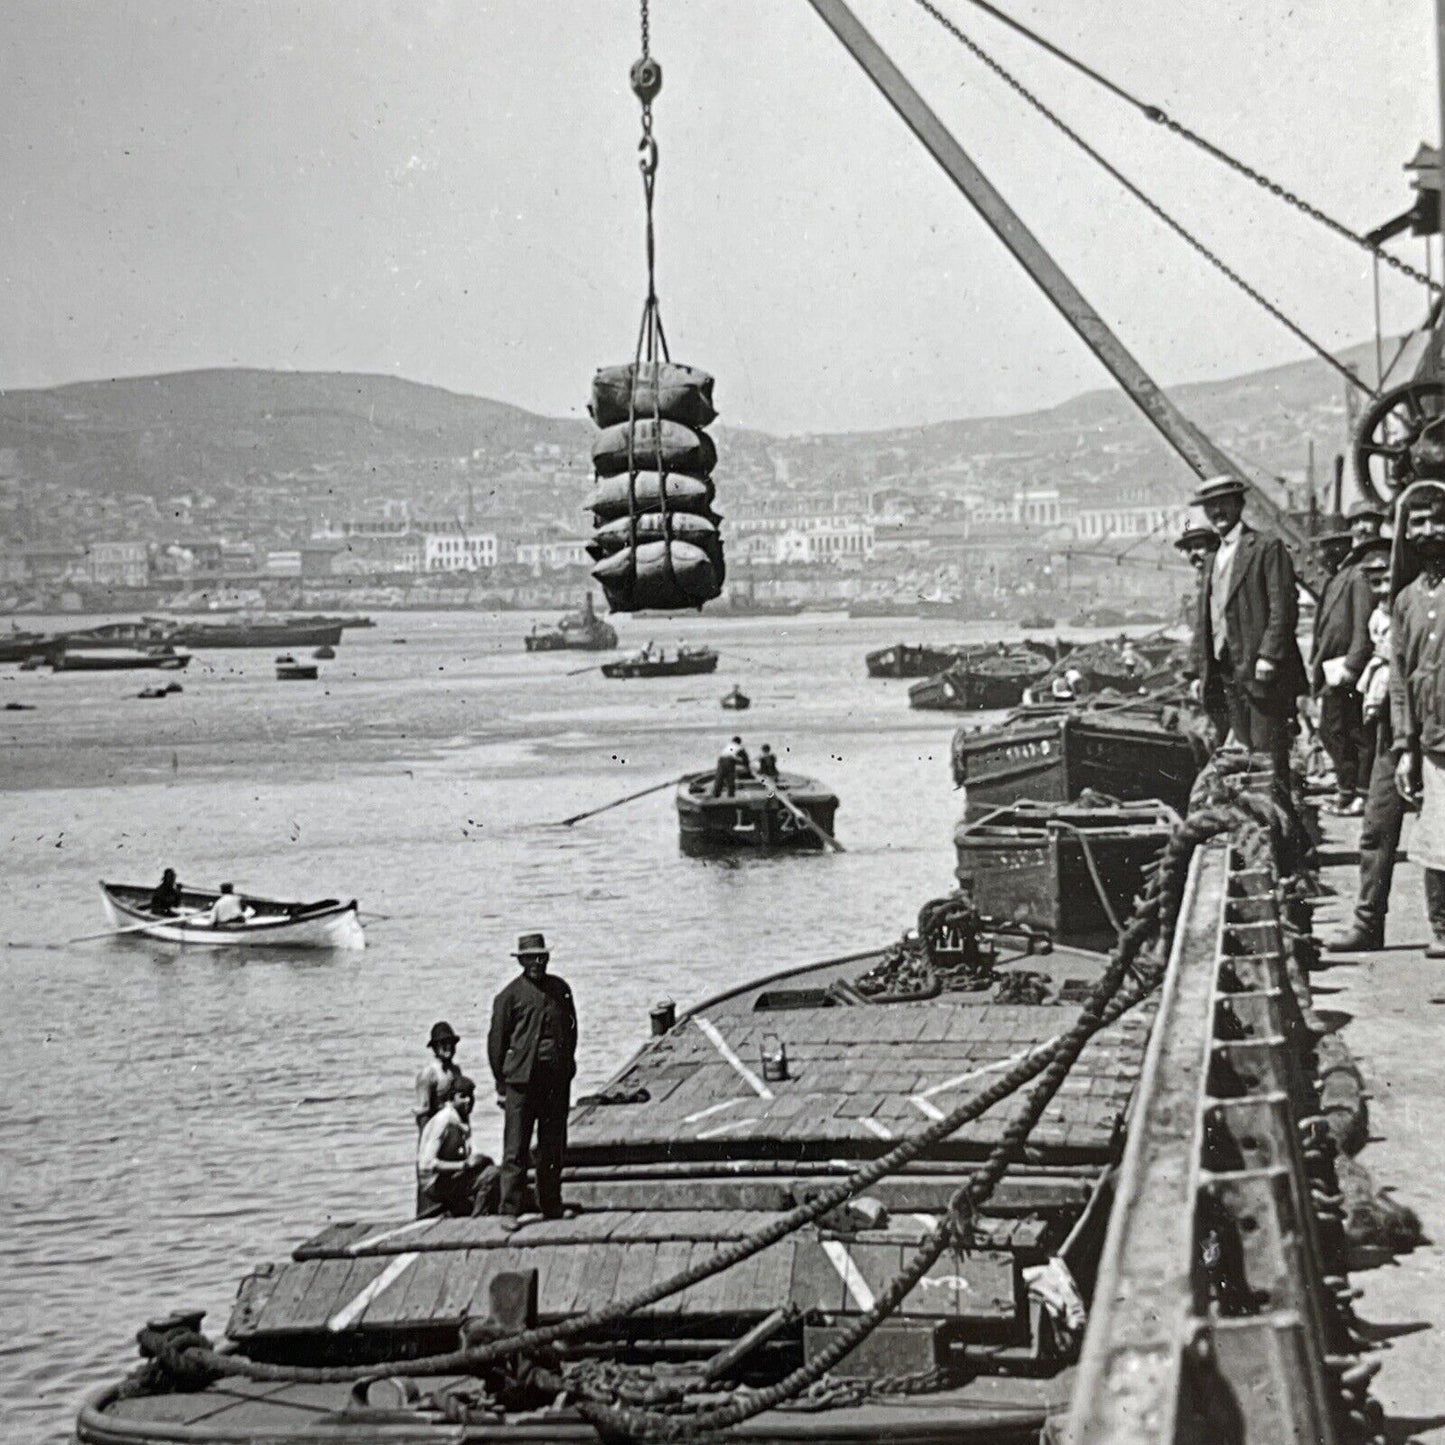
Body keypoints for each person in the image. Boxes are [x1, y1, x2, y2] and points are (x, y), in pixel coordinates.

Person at [1191, 475, 1309, 777]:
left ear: (1239, 505)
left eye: (1224, 504)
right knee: (1244, 750)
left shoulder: (1266, 547)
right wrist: (1198, 670)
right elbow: (1206, 618)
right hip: (1226, 670)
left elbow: (1282, 608)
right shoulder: (1211, 559)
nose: (1217, 511)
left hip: (1260, 671)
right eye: (1210, 506)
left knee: (1268, 751)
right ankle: (1258, 816)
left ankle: (1278, 817)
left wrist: (1269, 655)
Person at [1328, 538, 1400, 953]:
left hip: (1432, 733)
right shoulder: (1385, 613)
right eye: (1372, 578)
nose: (1379, 584)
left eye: (1385, 575)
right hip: (1392, 733)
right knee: (1376, 826)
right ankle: (1368, 923)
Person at [1388, 480, 1445, 958]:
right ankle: (1441, 930)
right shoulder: (1406, 601)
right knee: (1437, 839)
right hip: (1433, 742)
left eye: (1437, 520)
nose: (1428, 532)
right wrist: (1405, 747)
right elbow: (1400, 680)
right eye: (1418, 523)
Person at [488, 931, 579, 1221]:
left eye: (541, 957)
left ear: (548, 958)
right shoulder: (508, 996)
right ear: (521, 962)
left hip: (555, 1083)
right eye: (530, 959)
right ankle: (509, 1210)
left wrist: (566, 1066)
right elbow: (496, 1043)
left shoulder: (560, 989)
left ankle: (551, 1205)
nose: (537, 963)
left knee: (552, 1146)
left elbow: (572, 1030)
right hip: (521, 1084)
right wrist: (501, 1085)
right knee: (515, 1148)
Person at [1309, 530, 1373, 815]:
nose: (1319, 554)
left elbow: (1362, 624)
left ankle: (1358, 793)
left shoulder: (1357, 576)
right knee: (1335, 730)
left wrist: (1353, 664)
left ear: (1338, 547)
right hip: (1333, 667)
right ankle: (1348, 791)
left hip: (1345, 668)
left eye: (1323, 547)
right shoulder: (1337, 577)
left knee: (1348, 731)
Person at [415, 1075, 499, 1219]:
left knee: (487, 1163)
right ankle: (479, 1218)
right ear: (451, 1099)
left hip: (446, 1177)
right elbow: (427, 1164)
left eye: (471, 1096)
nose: (469, 1101)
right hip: (433, 1183)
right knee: (491, 1174)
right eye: (463, 1097)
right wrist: (463, 1165)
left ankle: (465, 1208)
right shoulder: (444, 1121)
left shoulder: (460, 1118)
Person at [415, 1020, 462, 1131]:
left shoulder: (456, 1071)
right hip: (435, 1130)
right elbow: (423, 1114)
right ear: (435, 1047)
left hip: (455, 1128)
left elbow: (462, 1109)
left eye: (451, 1042)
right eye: (443, 1043)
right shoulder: (428, 1074)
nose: (448, 1047)